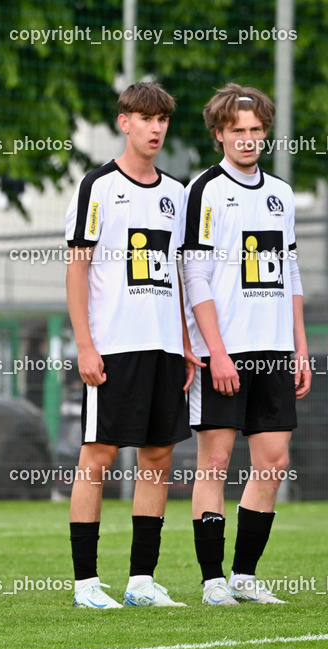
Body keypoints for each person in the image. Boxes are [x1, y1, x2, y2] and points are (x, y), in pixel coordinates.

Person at [65, 82, 200, 608]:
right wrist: (85, 344)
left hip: (165, 346)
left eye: (163, 120)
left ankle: (141, 580)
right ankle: (86, 584)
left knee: (159, 457)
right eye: (146, 119)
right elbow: (78, 270)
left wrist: (186, 341)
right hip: (114, 345)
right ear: (124, 122)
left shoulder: (178, 193)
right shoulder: (97, 185)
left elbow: (182, 273)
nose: (156, 128)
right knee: (96, 458)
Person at [182, 84, 310, 605]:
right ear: (219, 134)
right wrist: (216, 352)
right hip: (225, 351)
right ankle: (212, 580)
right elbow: (196, 275)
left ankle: (245, 576)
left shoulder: (281, 193)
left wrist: (300, 349)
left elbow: (292, 273)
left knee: (274, 462)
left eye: (257, 130)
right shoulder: (205, 190)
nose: (249, 139)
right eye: (238, 131)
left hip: (276, 349)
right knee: (214, 462)